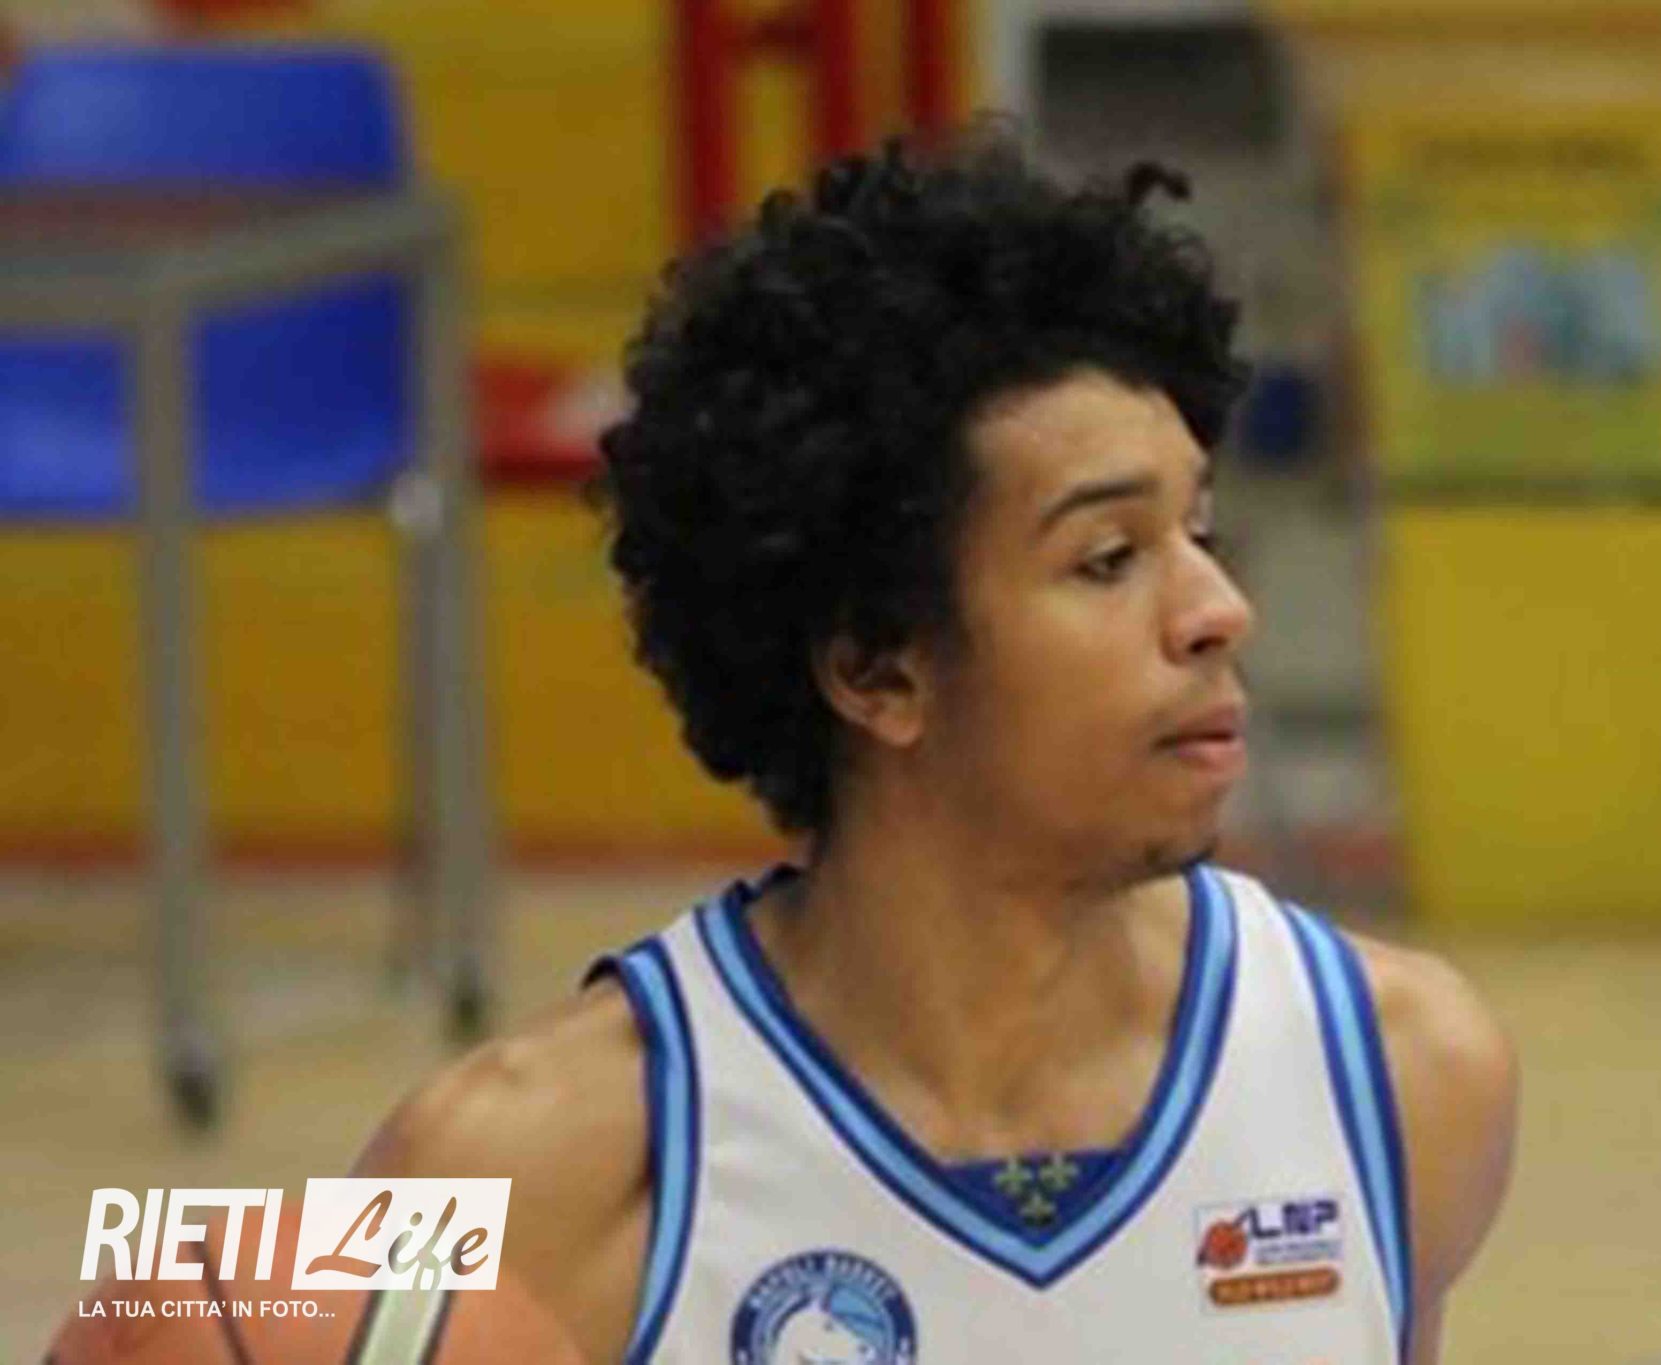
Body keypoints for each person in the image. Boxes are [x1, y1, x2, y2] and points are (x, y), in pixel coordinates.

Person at [355, 127, 1516, 1364]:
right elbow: (209, 1318)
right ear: (876, 668)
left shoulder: (1405, 1075)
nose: (1218, 610)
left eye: (1201, 532)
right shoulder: (500, 1169)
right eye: (1108, 558)